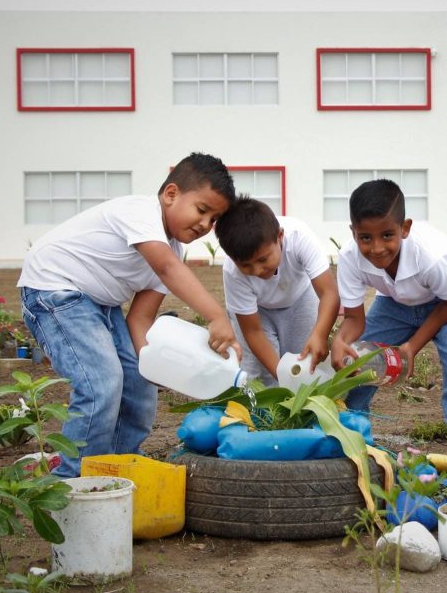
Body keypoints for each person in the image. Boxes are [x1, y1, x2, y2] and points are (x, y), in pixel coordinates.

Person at [18, 152, 241, 477]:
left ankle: (118, 470)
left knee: (139, 384)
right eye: (202, 210)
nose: (205, 225)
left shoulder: (172, 248)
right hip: (54, 289)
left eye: (214, 220)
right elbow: (167, 269)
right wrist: (217, 317)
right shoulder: (140, 212)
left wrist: (152, 366)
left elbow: (139, 320)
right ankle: (73, 481)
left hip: (97, 303)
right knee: (101, 384)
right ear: (171, 194)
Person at [330, 179, 447, 484]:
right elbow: (354, 319)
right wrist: (341, 340)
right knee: (356, 364)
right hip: (396, 301)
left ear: (404, 228)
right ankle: (352, 446)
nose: (377, 248)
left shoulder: (426, 256)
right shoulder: (351, 258)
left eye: (387, 235)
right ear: (353, 232)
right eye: (365, 237)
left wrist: (410, 348)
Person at [213, 197, 340, 385]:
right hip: (257, 311)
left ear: (280, 236)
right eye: (246, 265)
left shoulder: (299, 237)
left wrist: (320, 335)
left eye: (263, 260)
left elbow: (329, 293)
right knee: (259, 374)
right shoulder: (232, 272)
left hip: (300, 299)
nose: (256, 271)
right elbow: (253, 332)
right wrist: (283, 378)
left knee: (304, 361)